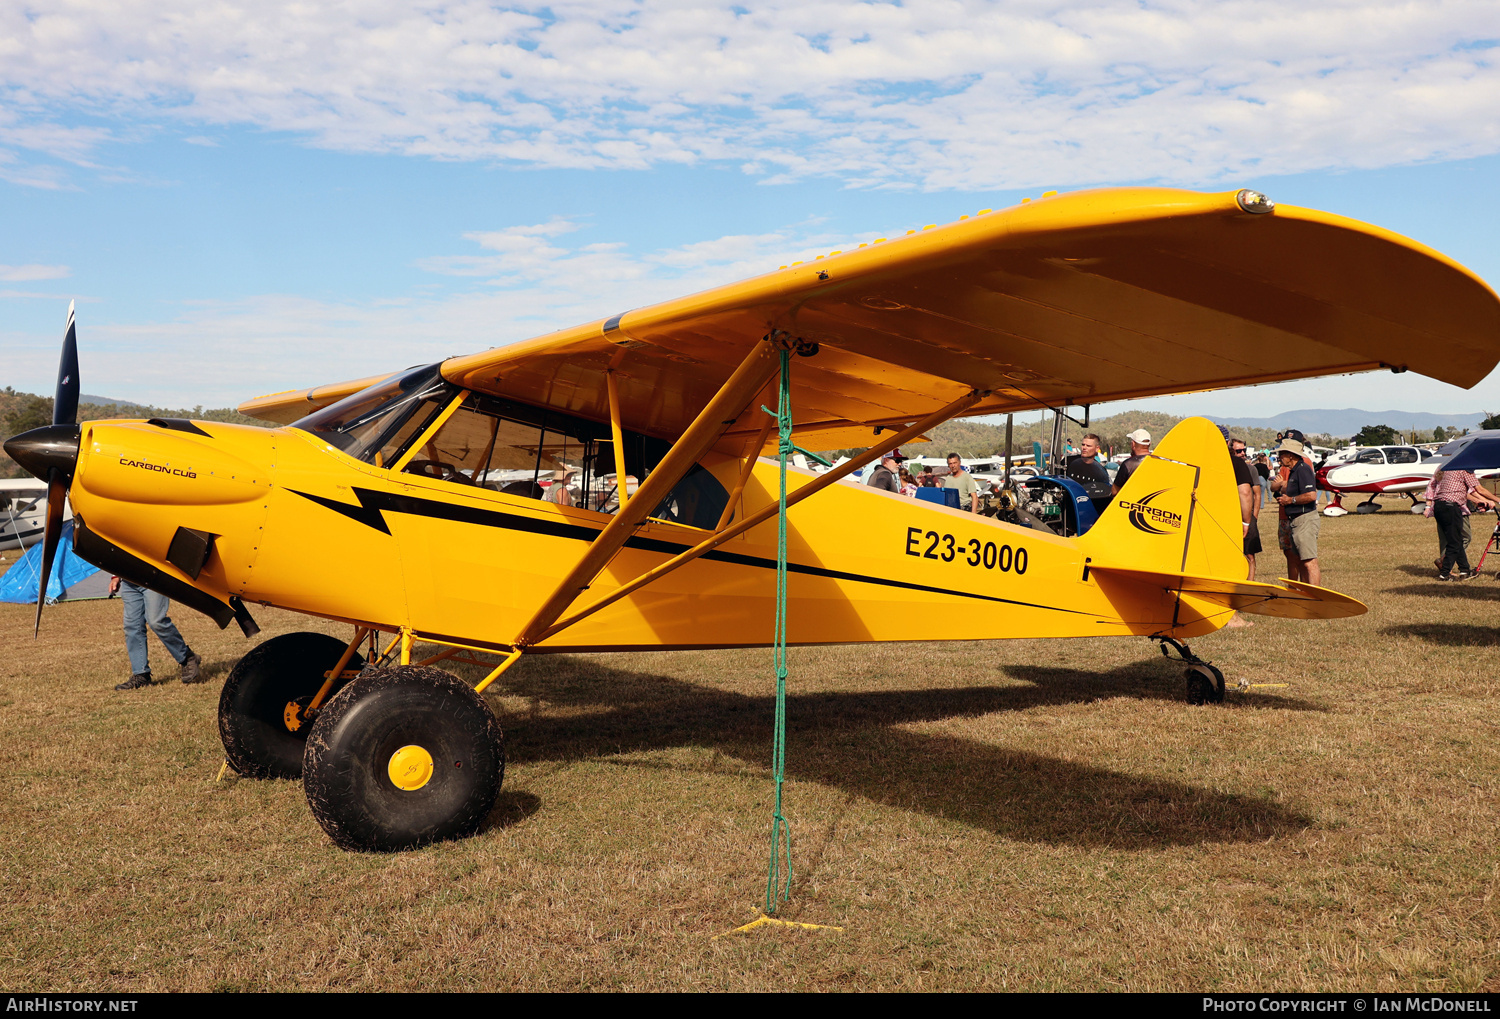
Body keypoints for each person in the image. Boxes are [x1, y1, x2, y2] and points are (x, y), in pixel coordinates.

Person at [108, 577, 202, 690]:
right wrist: (116, 577)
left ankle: (187, 658)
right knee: (132, 626)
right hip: (129, 581)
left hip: (153, 577)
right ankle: (141, 675)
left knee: (156, 621)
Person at [1424, 467, 1497, 579]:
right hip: (1450, 507)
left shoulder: (1450, 469)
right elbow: (1479, 489)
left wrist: (1480, 501)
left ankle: (1465, 570)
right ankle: (1444, 574)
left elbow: (1464, 491)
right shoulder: (1465, 470)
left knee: (1457, 540)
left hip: (1440, 506)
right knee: (1454, 542)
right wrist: (1497, 500)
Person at [1271, 438, 1321, 586]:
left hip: (1304, 520)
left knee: (1309, 562)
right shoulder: (1294, 471)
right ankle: (1306, 595)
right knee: (1301, 561)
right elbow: (1277, 487)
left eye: (1282, 454)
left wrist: (1290, 500)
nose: (1279, 457)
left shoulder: (1303, 469)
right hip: (1296, 521)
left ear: (1290, 455)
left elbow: (1311, 495)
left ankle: (1315, 599)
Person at [1225, 432, 1260, 627]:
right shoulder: (1236, 464)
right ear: (1228, 443)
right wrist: (1246, 522)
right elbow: (1245, 493)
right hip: (1230, 521)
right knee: (1232, 563)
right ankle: (1231, 615)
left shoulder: (1201, 463)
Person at [1064, 433, 1113, 516]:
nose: (1084, 448)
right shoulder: (1068, 461)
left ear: (1097, 448)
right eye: (1083, 445)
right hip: (1070, 506)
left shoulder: (1100, 469)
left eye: (1088, 446)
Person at [1111, 428, 1151, 494]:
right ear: (1149, 444)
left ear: (1133, 444)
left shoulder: (1128, 464)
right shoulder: (1159, 462)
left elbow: (1114, 491)